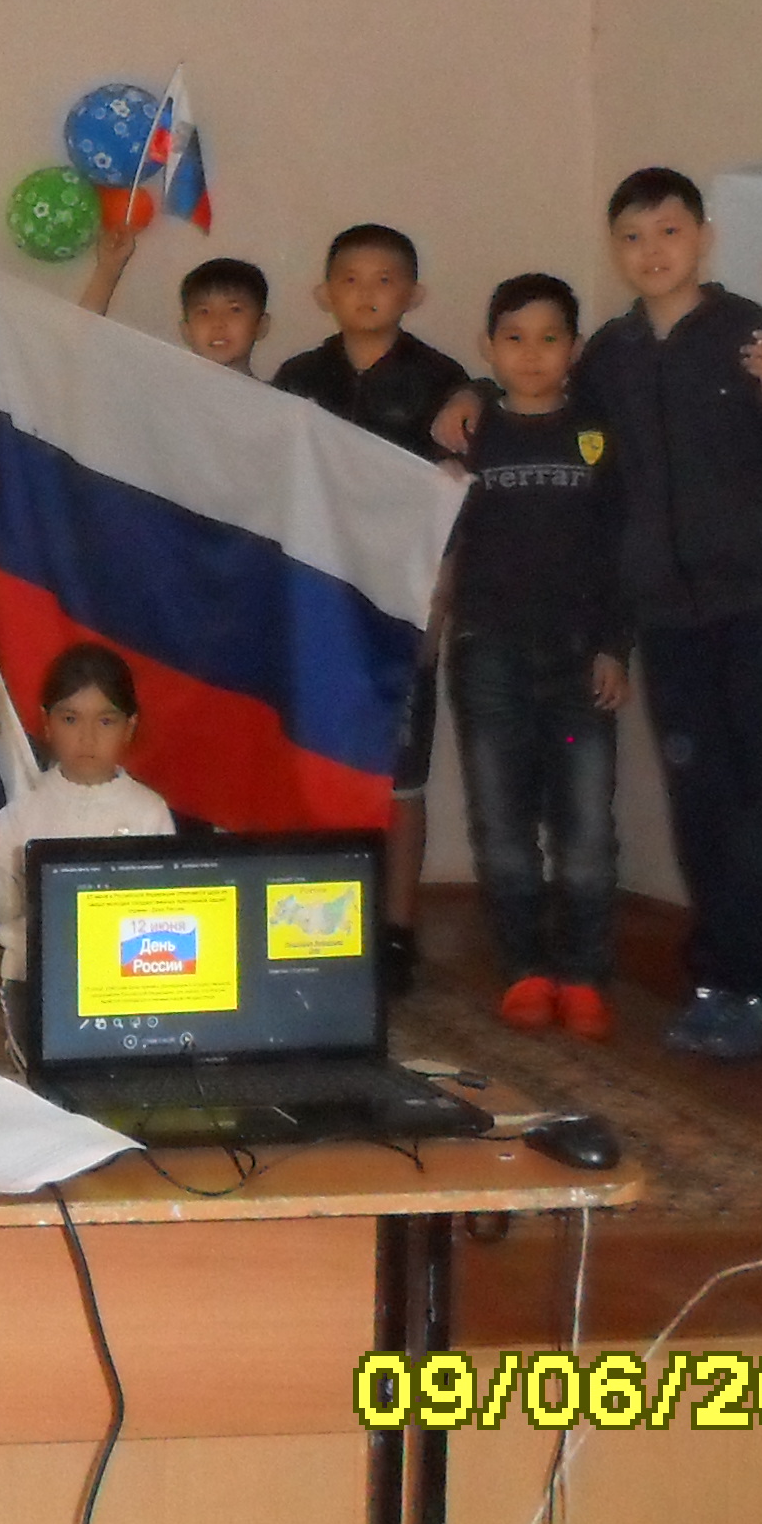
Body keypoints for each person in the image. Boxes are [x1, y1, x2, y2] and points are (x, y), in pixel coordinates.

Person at [558, 169, 762, 1062]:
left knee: (758, 794)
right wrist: (612, 636)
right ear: (616, 249)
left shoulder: (752, 334)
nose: (652, 251)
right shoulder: (608, 358)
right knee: (700, 799)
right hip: (666, 613)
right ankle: (725, 978)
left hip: (760, 601)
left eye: (670, 231)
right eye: (633, 236)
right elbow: (603, 500)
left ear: (703, 238)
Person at [270, 225, 470, 992]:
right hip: (314, 605)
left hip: (401, 605)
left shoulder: (443, 383)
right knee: (311, 768)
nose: (367, 293)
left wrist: (438, 608)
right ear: (324, 294)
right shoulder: (298, 379)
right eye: (350, 279)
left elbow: (455, 509)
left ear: (414, 294)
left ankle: (395, 931)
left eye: (385, 280)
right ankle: (310, 927)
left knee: (399, 780)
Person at [443, 274, 631, 1040]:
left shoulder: (598, 434)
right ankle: (524, 968)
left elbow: (620, 551)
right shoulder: (468, 434)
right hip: (487, 654)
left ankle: (583, 974)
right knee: (501, 823)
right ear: (488, 348)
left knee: (585, 828)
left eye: (550, 338)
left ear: (574, 349)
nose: (531, 353)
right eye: (514, 338)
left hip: (581, 661)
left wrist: (616, 646)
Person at [0, 642, 177, 1054]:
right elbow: (2, 908)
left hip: (123, 986)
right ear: (46, 724)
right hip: (33, 980)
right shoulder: (22, 804)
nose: (87, 737)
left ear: (130, 727)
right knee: (46, 1072)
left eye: (105, 721)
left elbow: (162, 915)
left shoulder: (149, 812)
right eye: (70, 719)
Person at [80, 225, 275, 376]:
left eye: (235, 309)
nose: (218, 322)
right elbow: (80, 344)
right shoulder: (166, 391)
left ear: (262, 325)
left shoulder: (281, 406)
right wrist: (109, 269)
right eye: (204, 312)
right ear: (186, 331)